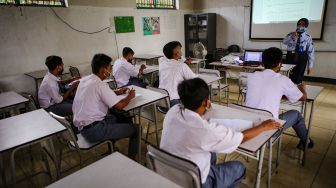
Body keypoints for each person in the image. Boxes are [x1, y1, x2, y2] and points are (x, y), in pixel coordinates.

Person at [160, 77, 281, 188]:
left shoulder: (173, 111)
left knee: (211, 154)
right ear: (205, 102)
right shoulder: (206, 130)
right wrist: (263, 126)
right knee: (239, 168)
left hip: (168, 171)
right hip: (196, 182)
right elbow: (241, 137)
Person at [245, 47, 314, 149]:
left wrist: (279, 93)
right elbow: (303, 98)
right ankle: (307, 142)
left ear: (262, 63)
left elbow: (264, 90)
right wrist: (303, 88)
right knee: (296, 115)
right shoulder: (283, 80)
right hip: (268, 131)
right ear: (280, 64)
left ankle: (306, 141)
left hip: (248, 127)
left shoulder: (252, 76)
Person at [73, 53, 139, 159]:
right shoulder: (100, 84)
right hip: (94, 131)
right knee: (136, 129)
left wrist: (117, 92)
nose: (111, 69)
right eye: (110, 67)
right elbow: (120, 106)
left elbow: (100, 94)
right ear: (103, 70)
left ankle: (111, 148)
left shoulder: (86, 80)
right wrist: (130, 96)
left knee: (115, 117)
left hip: (83, 128)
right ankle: (133, 160)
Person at [159, 41, 196, 106]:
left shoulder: (162, 64)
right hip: (174, 102)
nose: (181, 52)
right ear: (176, 54)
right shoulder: (181, 66)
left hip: (161, 100)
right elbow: (194, 80)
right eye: (180, 49)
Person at [283, 18, 314, 84]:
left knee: (298, 77)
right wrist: (291, 37)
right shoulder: (291, 33)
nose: (300, 26)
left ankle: (297, 90)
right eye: (299, 24)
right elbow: (284, 42)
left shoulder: (308, 37)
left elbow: (310, 51)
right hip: (291, 56)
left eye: (303, 24)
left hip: (302, 57)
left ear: (306, 26)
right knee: (289, 75)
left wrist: (310, 66)